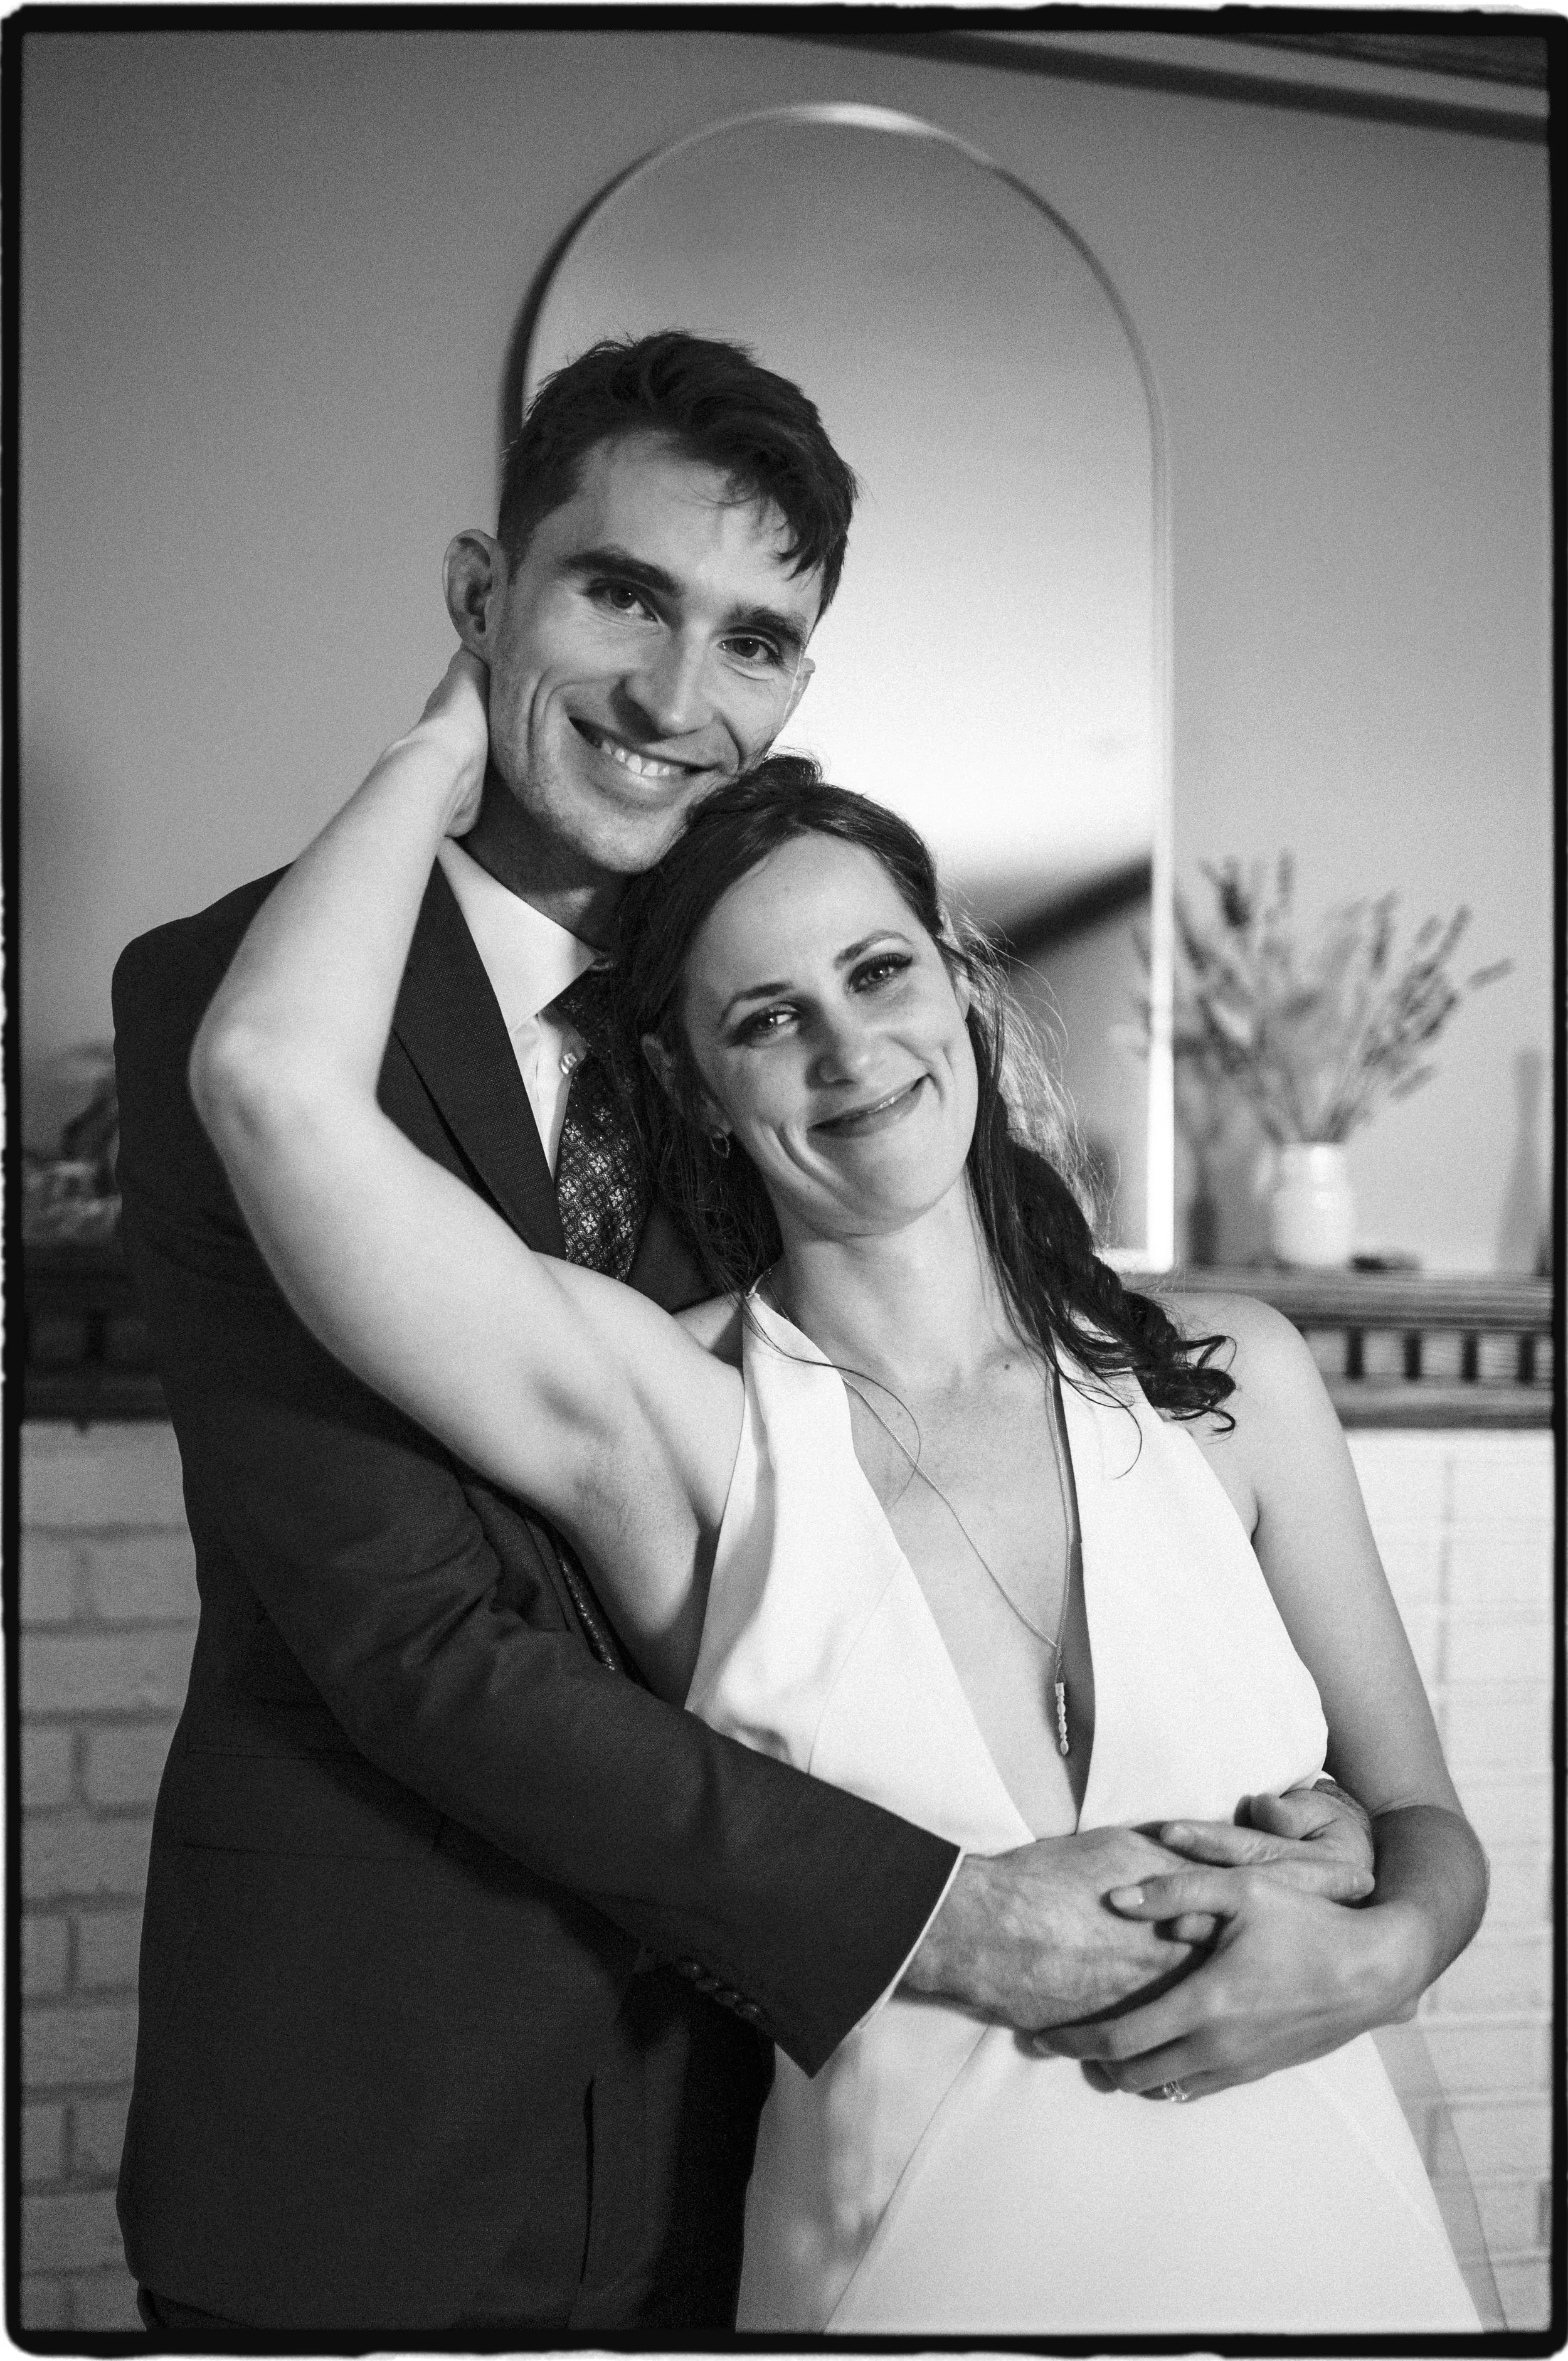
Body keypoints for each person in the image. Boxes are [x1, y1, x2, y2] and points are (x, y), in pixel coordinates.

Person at [113, 332, 1370, 2342]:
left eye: (756, 640)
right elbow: (419, 1639)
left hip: (767, 2105)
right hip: (386, 2091)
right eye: (618, 595)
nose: (672, 696)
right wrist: (437, 752)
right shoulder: (242, 998)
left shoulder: (775, 1021)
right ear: (482, 591)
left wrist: (1343, 1876)